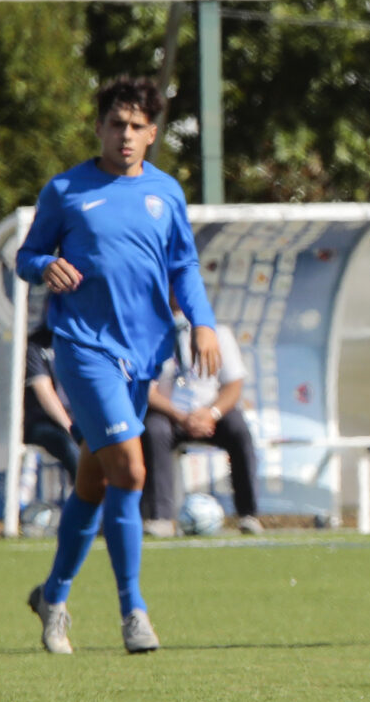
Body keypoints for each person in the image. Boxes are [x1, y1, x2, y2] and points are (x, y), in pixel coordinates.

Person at [16, 75, 221, 655]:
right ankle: (134, 612)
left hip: (145, 354)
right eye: (116, 124)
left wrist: (202, 320)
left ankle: (53, 597)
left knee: (94, 477)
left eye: (136, 127)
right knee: (130, 471)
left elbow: (184, 267)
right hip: (83, 349)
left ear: (152, 133)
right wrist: (41, 267)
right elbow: (26, 255)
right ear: (100, 128)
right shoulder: (67, 190)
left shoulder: (166, 192)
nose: (125, 135)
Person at [140, 324, 264, 536]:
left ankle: (248, 514)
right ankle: (160, 518)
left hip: (210, 412)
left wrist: (211, 413)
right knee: (153, 431)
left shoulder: (218, 332)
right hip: (168, 413)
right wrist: (181, 417)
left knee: (239, 430)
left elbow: (233, 384)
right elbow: (145, 389)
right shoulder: (147, 330)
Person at [20, 325, 82, 494]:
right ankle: (91, 504)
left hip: (82, 418)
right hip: (43, 422)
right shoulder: (35, 345)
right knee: (69, 446)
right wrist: (71, 428)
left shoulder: (85, 340)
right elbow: (44, 392)